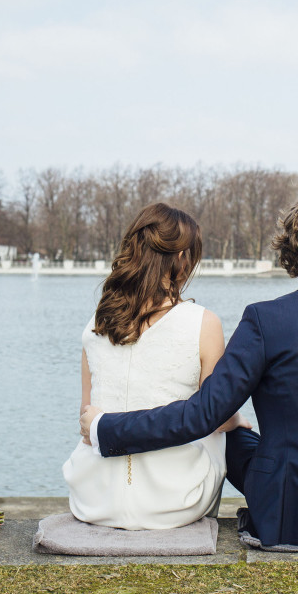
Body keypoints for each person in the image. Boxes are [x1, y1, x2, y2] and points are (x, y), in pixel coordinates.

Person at [80, 197, 298, 547]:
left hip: (294, 514)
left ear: (287, 254)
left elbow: (203, 415)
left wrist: (105, 427)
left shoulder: (265, 320)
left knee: (227, 433)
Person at [64, 202, 247, 530]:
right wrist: (237, 420)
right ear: (181, 259)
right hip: (173, 504)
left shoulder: (95, 324)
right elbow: (213, 417)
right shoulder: (205, 323)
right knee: (225, 426)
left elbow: (86, 419)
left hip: (93, 500)